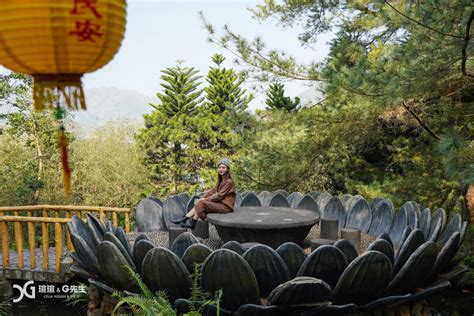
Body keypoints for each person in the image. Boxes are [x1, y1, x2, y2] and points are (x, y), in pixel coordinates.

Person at [171, 158, 236, 229]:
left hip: (226, 206)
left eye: (223, 167)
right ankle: (189, 220)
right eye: (219, 167)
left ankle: (186, 219)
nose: (221, 169)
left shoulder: (229, 182)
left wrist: (206, 199)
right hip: (220, 203)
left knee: (202, 203)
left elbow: (219, 195)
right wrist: (204, 197)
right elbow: (213, 190)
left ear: (227, 169)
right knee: (200, 202)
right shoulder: (221, 180)